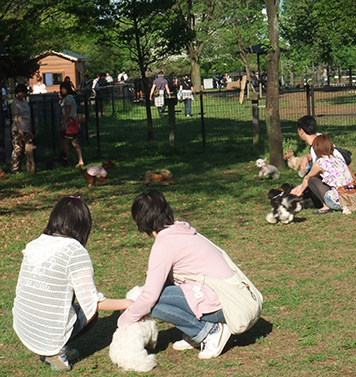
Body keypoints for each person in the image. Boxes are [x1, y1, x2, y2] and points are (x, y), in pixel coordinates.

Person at [13, 196, 132, 371]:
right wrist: (130, 303)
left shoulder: (35, 243)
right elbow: (92, 303)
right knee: (90, 314)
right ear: (82, 224)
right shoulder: (74, 251)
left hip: (24, 326)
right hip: (47, 331)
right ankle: (56, 351)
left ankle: (50, 346)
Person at [118, 190, 234, 359]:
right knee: (161, 289)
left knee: (154, 302)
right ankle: (196, 333)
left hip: (222, 305)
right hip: (228, 296)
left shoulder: (164, 244)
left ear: (141, 220)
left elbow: (149, 296)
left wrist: (124, 320)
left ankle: (210, 331)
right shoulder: (181, 231)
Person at [291, 134, 355, 214]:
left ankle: (326, 206)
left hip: (338, 202)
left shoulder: (320, 163)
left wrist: (299, 192)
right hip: (353, 197)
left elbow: (307, 178)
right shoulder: (338, 159)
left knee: (312, 179)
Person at [59, 83, 84, 167]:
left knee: (73, 142)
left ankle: (78, 160)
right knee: (64, 142)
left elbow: (67, 111)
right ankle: (68, 160)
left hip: (69, 123)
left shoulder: (68, 98)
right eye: (61, 89)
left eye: (64, 88)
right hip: (70, 121)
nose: (62, 90)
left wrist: (64, 122)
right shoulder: (68, 98)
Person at [10, 84, 33, 173]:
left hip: (26, 127)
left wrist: (29, 129)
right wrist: (19, 129)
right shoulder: (15, 103)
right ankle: (15, 168)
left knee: (24, 149)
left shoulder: (25, 102)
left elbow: (28, 115)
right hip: (18, 128)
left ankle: (21, 165)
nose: (23, 94)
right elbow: (15, 117)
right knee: (17, 148)